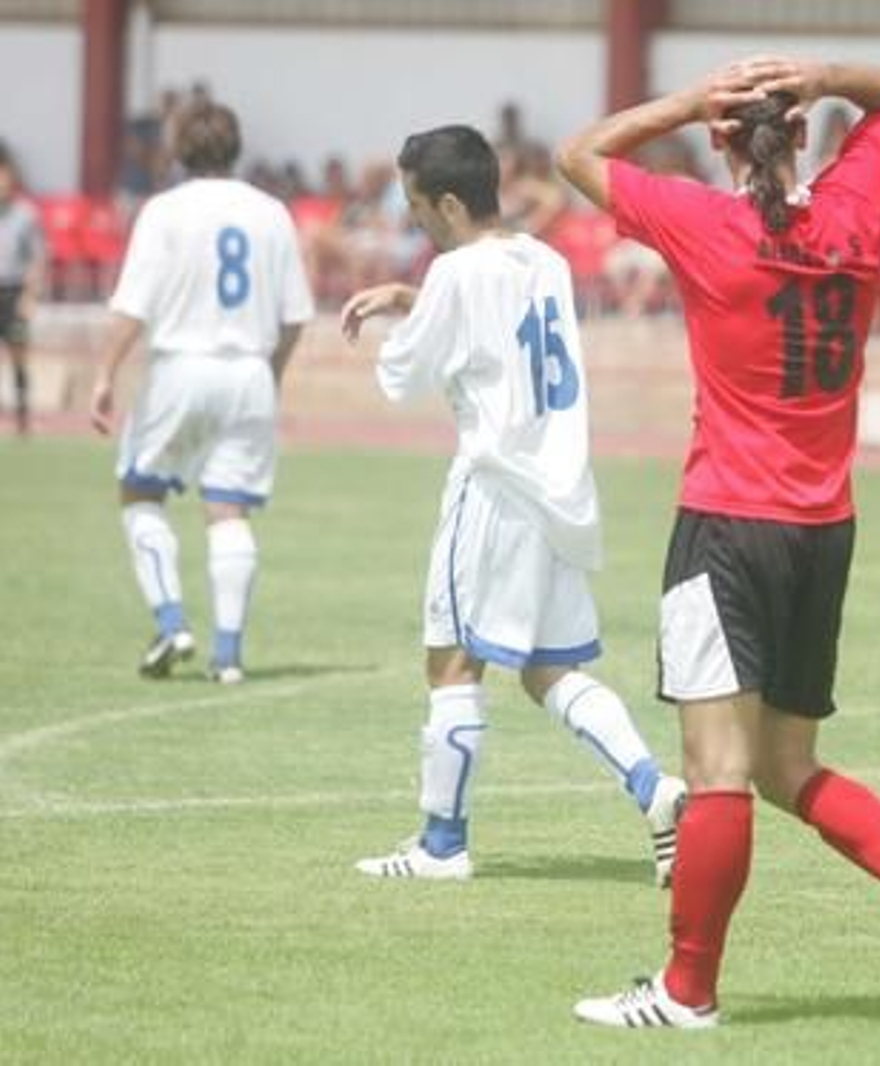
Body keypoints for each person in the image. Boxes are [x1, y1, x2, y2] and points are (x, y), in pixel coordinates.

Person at [556, 55, 880, 1029]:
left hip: (727, 526)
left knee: (716, 771)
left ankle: (687, 990)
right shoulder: (852, 212)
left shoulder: (707, 224)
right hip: (821, 530)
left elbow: (575, 154)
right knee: (785, 765)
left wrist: (683, 100)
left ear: (719, 137)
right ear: (801, 134)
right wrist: (829, 75)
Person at [338, 125, 687, 884]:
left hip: (492, 486)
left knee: (451, 664)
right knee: (549, 670)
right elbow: (497, 327)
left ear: (452, 202)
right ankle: (655, 788)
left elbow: (403, 375)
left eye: (418, 206)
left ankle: (442, 845)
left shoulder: (457, 275)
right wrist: (419, 297)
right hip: (556, 491)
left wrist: (409, 309)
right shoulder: (547, 261)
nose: (415, 221)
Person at [89, 101, 312, 683]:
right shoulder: (272, 212)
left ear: (177, 149)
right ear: (235, 147)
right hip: (249, 373)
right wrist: (273, 375)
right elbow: (294, 317)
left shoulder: (164, 211)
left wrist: (103, 377)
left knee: (139, 494)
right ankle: (229, 655)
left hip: (182, 366)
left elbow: (131, 307)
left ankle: (172, 623)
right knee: (228, 509)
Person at [0, 145, 44, 435]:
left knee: (18, 355)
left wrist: (30, 296)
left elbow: (37, 258)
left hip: (14, 292)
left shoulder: (25, 215)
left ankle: (23, 418)